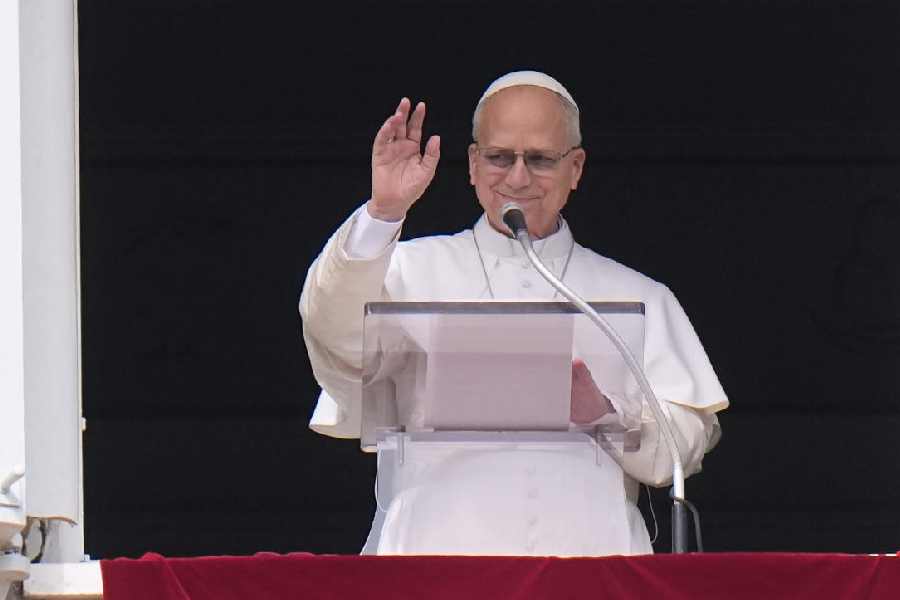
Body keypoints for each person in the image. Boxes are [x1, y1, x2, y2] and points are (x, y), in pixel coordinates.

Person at [299, 71, 728, 556]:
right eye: (500, 158)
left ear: (576, 168)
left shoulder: (637, 295)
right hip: (434, 556)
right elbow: (334, 340)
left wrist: (605, 415)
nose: (518, 178)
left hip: (591, 560)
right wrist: (383, 213)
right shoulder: (405, 270)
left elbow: (683, 450)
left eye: (541, 159)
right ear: (474, 164)